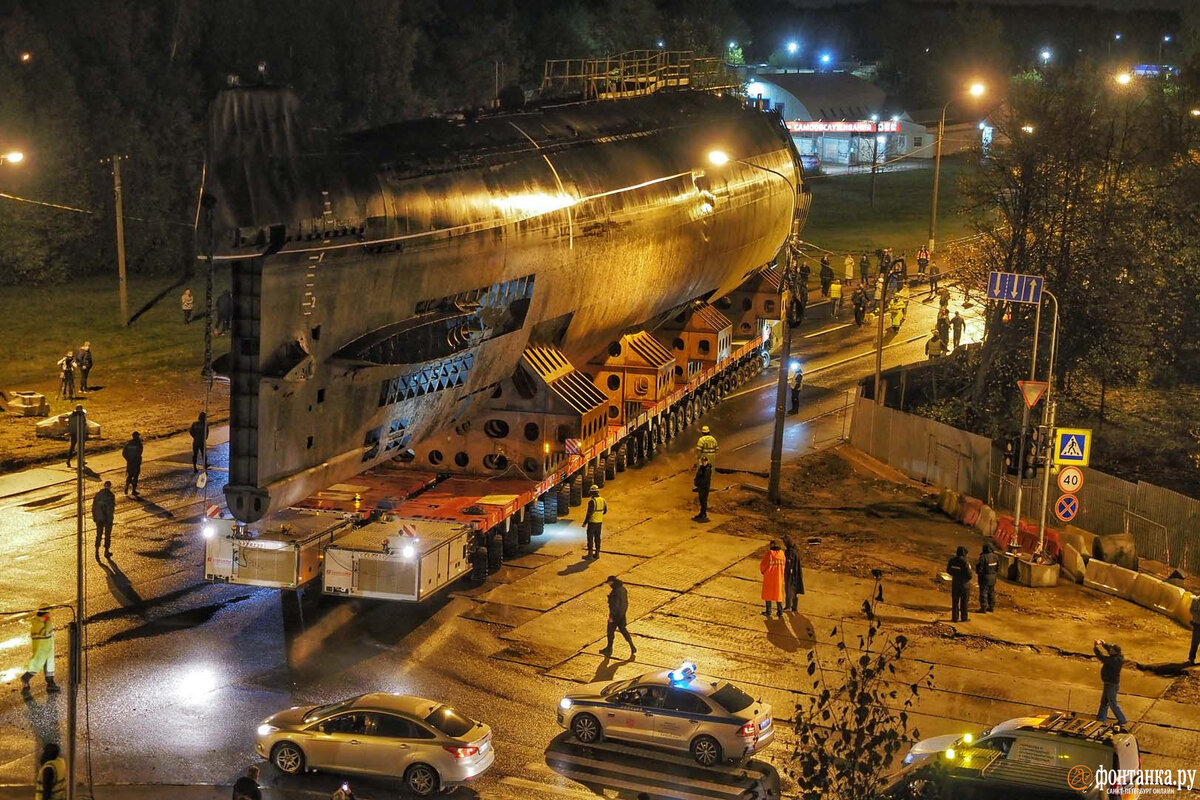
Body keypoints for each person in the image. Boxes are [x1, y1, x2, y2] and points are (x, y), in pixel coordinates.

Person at [20, 609, 60, 693]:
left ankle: (50, 683)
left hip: (47, 649)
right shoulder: (38, 624)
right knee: (37, 665)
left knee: (48, 666)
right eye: (47, 615)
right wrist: (48, 623)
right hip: (42, 650)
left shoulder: (40, 623)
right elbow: (46, 634)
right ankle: (26, 677)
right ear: (43, 615)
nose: (49, 617)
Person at [600, 575, 636, 658]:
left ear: (612, 582)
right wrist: (623, 613)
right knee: (623, 630)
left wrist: (611, 616)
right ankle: (632, 646)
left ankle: (609, 649)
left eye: (609, 582)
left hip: (615, 615)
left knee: (610, 632)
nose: (608, 584)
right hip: (622, 614)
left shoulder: (615, 591)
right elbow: (625, 603)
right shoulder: (623, 589)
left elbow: (615, 605)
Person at [1094, 639, 1128, 727]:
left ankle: (1122, 719)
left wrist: (1096, 648)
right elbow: (1109, 649)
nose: (1110, 650)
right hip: (1108, 683)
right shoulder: (1116, 656)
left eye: (1112, 650)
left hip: (1112, 684)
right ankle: (1101, 719)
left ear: (1115, 652)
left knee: (1112, 703)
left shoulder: (1115, 660)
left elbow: (1102, 657)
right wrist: (1103, 644)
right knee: (1104, 702)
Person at [760, 540, 786, 618]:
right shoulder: (782, 554)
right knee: (778, 594)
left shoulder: (769, 554)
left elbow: (764, 565)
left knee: (768, 594)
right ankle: (780, 611)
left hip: (769, 577)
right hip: (778, 577)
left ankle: (769, 611)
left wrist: (763, 571)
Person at [947, 545, 972, 623]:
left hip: (955, 584)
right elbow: (969, 575)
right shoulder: (965, 562)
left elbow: (948, 570)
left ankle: (955, 617)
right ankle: (964, 617)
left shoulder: (952, 560)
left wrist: (956, 575)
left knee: (955, 601)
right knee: (964, 602)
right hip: (964, 585)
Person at [92, 480, 116, 559]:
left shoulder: (98, 494)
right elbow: (110, 509)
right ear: (109, 486)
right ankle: (106, 551)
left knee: (99, 534)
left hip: (99, 518)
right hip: (107, 519)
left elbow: (94, 506)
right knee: (107, 535)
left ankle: (97, 550)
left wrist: (95, 517)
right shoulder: (111, 496)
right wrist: (109, 518)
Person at [581, 485, 606, 559]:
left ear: (592, 493)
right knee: (597, 538)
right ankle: (597, 554)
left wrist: (585, 523)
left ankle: (590, 554)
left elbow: (588, 514)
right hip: (599, 522)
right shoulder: (603, 500)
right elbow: (605, 511)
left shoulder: (592, 502)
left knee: (590, 538)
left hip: (592, 523)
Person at [975, 543, 1000, 613]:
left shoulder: (983, 557)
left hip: (984, 577)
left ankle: (983, 607)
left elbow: (980, 568)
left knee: (983, 592)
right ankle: (991, 606)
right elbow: (998, 567)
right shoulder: (996, 557)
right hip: (993, 577)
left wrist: (980, 574)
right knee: (991, 592)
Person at [783, 537, 805, 612]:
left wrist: (787, 571)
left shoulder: (789, 552)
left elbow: (789, 564)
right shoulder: (796, 550)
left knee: (788, 589)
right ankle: (794, 607)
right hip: (797, 573)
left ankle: (788, 606)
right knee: (794, 590)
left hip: (791, 574)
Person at [122, 431, 144, 497]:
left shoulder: (128, 444)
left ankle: (126, 487)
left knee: (130, 475)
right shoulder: (138, 444)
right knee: (135, 476)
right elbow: (140, 452)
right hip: (136, 463)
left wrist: (128, 459)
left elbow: (124, 453)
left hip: (130, 463)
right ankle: (133, 490)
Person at [693, 456, 712, 522]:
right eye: (702, 461)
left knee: (704, 501)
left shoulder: (707, 469)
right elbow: (697, 475)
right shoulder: (701, 468)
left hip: (704, 488)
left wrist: (698, 484)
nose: (703, 462)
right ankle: (701, 513)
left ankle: (704, 514)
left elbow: (704, 479)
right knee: (701, 500)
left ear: (707, 461)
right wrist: (696, 482)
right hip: (700, 487)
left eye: (704, 461)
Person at [1188, 595, 1200, 664]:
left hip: (1196, 624)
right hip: (1197, 624)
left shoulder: (1195, 600)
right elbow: (1191, 610)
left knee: (1194, 642)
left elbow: (1191, 610)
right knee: (1195, 643)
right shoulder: (1195, 600)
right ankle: (1191, 658)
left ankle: (1191, 658)